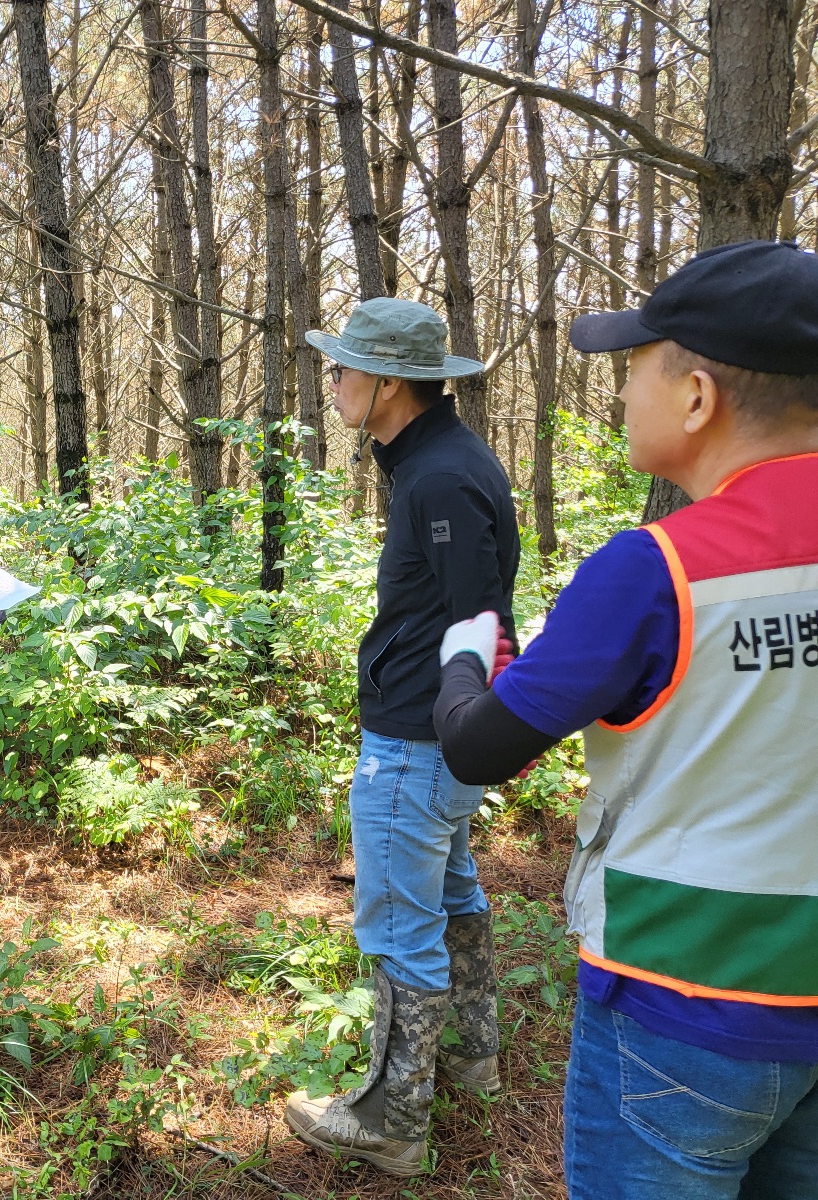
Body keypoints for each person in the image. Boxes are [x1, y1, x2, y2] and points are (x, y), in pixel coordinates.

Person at [433, 240, 818, 1199]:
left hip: (681, 1000)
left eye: (636, 367)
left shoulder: (656, 571)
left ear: (696, 396)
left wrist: (465, 659)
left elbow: (480, 746)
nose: (621, 393)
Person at [283, 298, 520, 1176]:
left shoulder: (442, 476)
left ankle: (392, 1119)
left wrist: (455, 724)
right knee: (452, 891)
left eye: (343, 368)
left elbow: (480, 617)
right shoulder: (429, 461)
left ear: (389, 384)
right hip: (437, 736)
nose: (332, 381)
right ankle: (472, 1053)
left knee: (396, 924)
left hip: (417, 740)